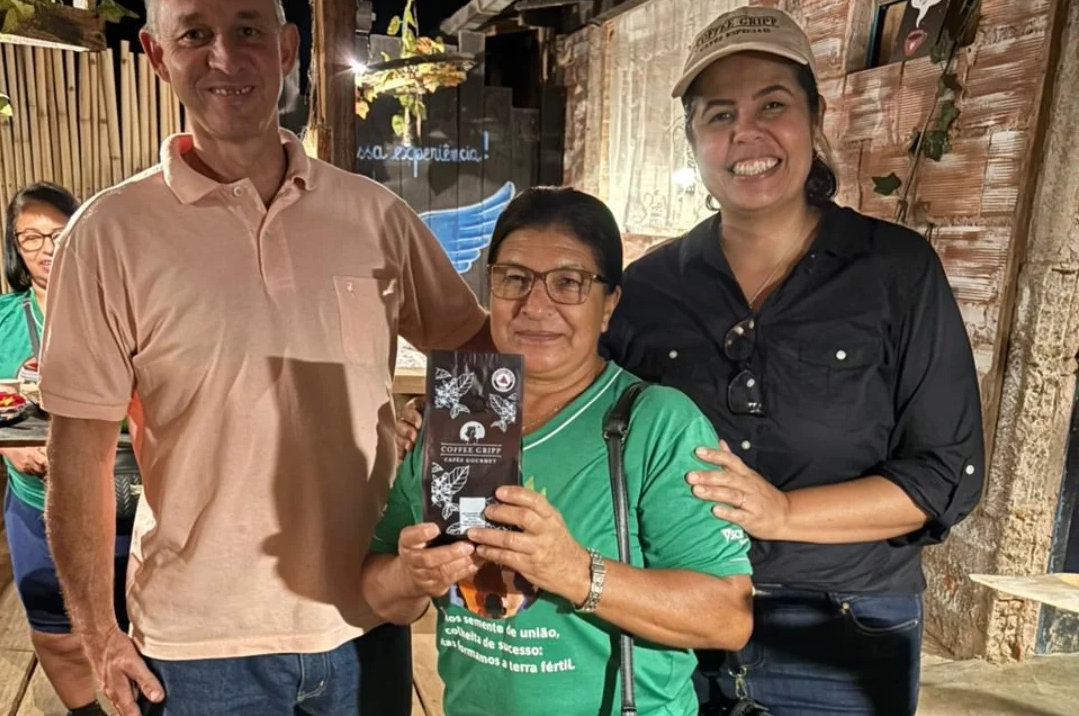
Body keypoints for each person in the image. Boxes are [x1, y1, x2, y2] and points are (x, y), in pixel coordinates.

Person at [39, 1, 490, 715]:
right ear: (157, 56)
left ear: (285, 49)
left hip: (368, 610)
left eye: (247, 30)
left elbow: (477, 359)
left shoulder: (375, 216)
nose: (225, 57)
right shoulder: (106, 236)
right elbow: (79, 454)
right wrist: (97, 632)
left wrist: (454, 495)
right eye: (195, 35)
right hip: (196, 643)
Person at [601, 7, 984, 715]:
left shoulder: (894, 272)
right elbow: (584, 423)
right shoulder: (648, 289)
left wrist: (780, 512)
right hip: (678, 620)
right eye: (719, 115)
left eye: (772, 105)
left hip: (842, 626)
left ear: (815, 117)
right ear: (693, 140)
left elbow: (944, 475)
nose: (746, 133)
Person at [364, 187, 755, 716]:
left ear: (608, 305)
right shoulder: (450, 416)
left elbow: (728, 616)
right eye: (514, 279)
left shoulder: (656, 422)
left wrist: (574, 571)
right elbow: (377, 590)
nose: (535, 305)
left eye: (569, 283)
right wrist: (410, 578)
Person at [1, 183, 126, 716]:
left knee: (141, 623)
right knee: (56, 632)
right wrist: (9, 450)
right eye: (30, 237)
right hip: (37, 505)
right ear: (15, 246)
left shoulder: (122, 310)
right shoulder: (5, 319)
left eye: (58, 233)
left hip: (127, 501)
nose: (46, 248)